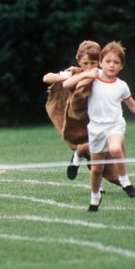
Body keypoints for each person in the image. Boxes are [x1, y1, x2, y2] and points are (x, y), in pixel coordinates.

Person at [63, 41, 135, 211]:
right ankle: (95, 198)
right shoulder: (93, 78)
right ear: (101, 62)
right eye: (108, 61)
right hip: (95, 129)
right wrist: (87, 75)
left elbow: (133, 105)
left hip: (115, 125)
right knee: (96, 170)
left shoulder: (121, 86)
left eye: (116, 62)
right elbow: (66, 84)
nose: (112, 65)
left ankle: (125, 181)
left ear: (121, 66)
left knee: (115, 149)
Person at [43, 40, 101, 180]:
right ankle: (79, 156)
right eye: (85, 63)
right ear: (78, 60)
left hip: (99, 117)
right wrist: (66, 77)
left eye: (93, 63)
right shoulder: (76, 72)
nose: (89, 67)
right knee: (93, 152)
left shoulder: (102, 74)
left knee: (99, 154)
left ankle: (78, 158)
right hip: (79, 120)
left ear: (100, 61)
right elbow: (46, 78)